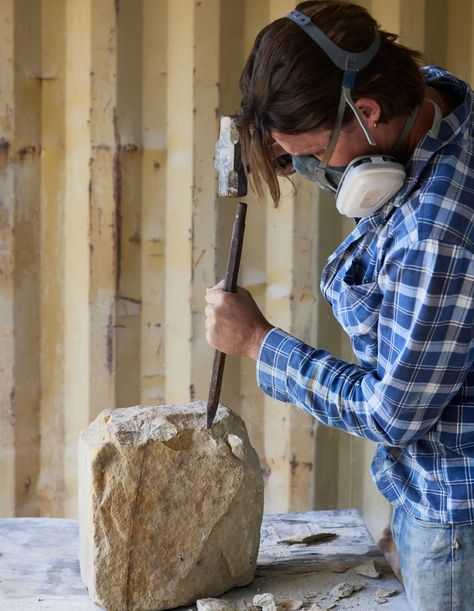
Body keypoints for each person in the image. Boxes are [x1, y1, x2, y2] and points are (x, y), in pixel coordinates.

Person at [205, 1, 474, 610]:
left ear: (369, 111)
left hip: (456, 524)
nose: (310, 170)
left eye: (314, 155)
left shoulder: (439, 235)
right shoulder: (440, 103)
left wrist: (258, 343)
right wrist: (286, 142)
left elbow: (391, 414)